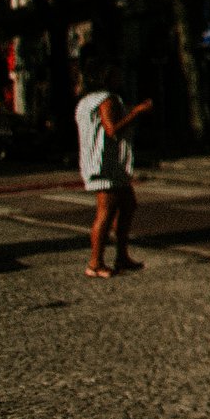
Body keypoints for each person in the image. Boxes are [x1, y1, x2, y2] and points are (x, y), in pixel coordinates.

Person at [76, 68, 155, 279]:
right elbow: (112, 129)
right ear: (107, 78)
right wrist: (136, 113)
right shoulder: (107, 99)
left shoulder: (86, 101)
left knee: (128, 204)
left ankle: (121, 256)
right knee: (106, 212)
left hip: (102, 162)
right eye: (116, 75)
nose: (121, 78)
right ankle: (95, 263)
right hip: (105, 164)